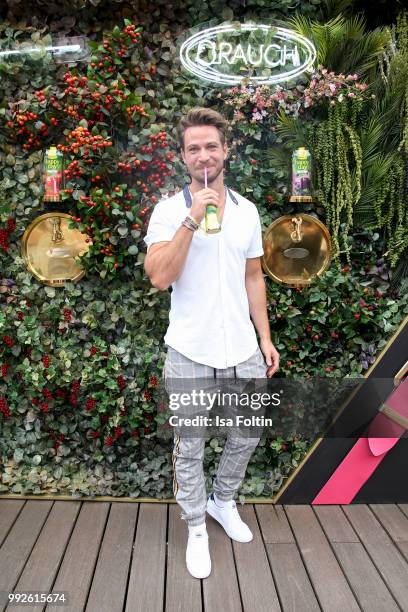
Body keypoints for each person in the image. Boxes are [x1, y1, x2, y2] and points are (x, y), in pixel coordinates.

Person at [144, 107, 280, 579]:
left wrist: (264, 337)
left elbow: (253, 277)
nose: (204, 155)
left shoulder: (247, 211)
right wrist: (191, 219)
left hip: (242, 347)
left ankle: (223, 501)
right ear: (183, 156)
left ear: (226, 150)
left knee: (246, 433)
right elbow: (159, 278)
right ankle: (196, 524)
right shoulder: (167, 211)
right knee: (190, 444)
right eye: (193, 148)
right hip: (190, 350)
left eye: (211, 146)